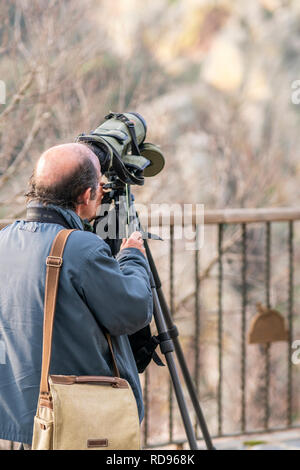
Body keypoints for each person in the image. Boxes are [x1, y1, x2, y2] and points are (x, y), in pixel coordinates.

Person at [0, 143, 152, 449]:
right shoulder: (81, 248)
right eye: (100, 185)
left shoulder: (4, 239)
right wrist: (133, 257)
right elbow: (133, 311)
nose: (104, 191)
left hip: (20, 408)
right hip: (77, 417)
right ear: (86, 195)